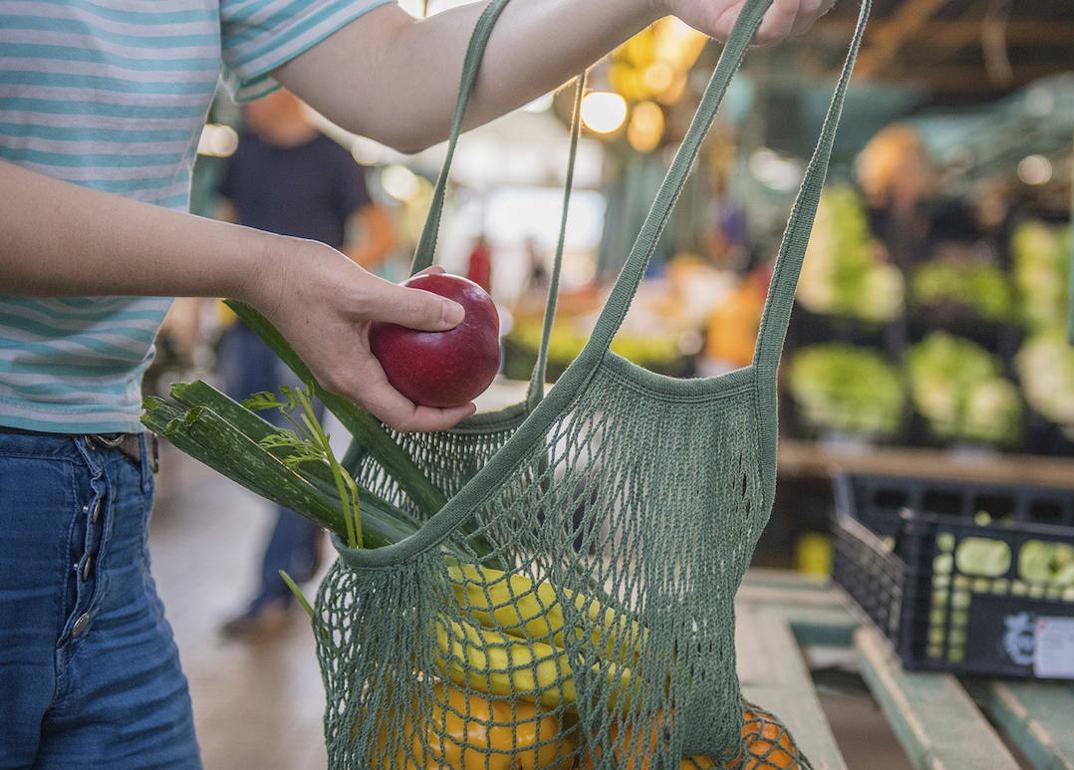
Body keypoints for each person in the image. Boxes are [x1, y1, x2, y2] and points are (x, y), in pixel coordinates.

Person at [0, 1, 836, 765]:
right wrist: (260, 267)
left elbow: (400, 75)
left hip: (106, 493)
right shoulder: (254, 162)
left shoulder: (327, 158)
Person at [214, 89, 395, 639]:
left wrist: (325, 281)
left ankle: (271, 592)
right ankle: (313, 508)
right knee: (237, 447)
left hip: (302, 338)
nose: (242, 97)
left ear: (285, 90)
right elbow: (224, 225)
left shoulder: (334, 157)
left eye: (252, 86)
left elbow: (384, 232)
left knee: (284, 463)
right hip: (242, 328)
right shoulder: (243, 151)